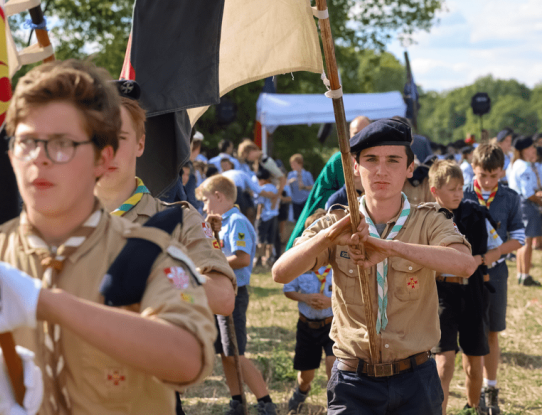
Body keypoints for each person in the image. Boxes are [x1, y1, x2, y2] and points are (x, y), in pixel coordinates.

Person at [0, 59, 216, 414]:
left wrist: (44, 302)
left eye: (62, 143)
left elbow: (188, 358)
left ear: (103, 158)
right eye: (27, 142)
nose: (40, 158)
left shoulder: (152, 252)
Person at [272, 118, 476, 415]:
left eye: (393, 160)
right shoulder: (335, 223)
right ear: (355, 167)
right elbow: (281, 273)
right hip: (353, 381)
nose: (381, 170)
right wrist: (327, 238)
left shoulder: (429, 220)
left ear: (410, 168)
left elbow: (465, 265)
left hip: (416, 379)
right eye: (370, 160)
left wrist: (391, 248)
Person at [95, 80, 236, 317]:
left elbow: (222, 299)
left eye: (119, 138)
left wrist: (160, 276)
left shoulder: (179, 220)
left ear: (140, 144)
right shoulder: (55, 221)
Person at [195, 175, 274, 415]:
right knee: (225, 353)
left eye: (206, 201)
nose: (204, 207)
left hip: (234, 294)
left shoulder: (236, 221)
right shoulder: (216, 223)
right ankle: (237, 401)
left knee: (236, 353)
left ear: (219, 196)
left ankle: (266, 403)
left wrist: (213, 265)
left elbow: (242, 258)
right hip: (220, 293)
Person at [428, 160, 502, 415]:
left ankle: (473, 408)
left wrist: (479, 260)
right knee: (443, 363)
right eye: (452, 189)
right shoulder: (425, 217)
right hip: (440, 294)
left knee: (473, 362)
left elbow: (496, 249)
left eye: (461, 188)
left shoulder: (476, 213)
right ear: (435, 191)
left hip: (472, 292)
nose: (459, 193)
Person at [464, 142, 524, 415]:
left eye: (494, 175)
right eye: (482, 175)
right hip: (463, 273)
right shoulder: (462, 194)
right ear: (472, 169)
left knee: (492, 332)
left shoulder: (510, 197)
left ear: (502, 171)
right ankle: (472, 393)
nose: (487, 181)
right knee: (468, 332)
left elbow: (519, 238)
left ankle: (491, 387)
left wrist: (497, 252)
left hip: (496, 272)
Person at [286, 116, 372, 249]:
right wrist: (350, 192)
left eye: (365, 131)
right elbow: (323, 196)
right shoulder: (339, 160)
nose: (360, 136)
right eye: (356, 133)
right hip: (338, 222)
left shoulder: (377, 158)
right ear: (349, 135)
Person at [283, 210, 336, 415]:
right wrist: (305, 298)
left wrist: (330, 301)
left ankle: (335, 405)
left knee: (334, 366)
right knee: (306, 375)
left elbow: (352, 294)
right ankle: (302, 391)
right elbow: (288, 290)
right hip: (307, 325)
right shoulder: (300, 263)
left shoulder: (338, 263)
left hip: (332, 324)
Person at [508, 137, 542, 287]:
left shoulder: (516, 164)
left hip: (516, 204)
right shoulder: (524, 167)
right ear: (524, 150)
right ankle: (526, 275)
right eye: (531, 147)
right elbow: (528, 193)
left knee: (521, 241)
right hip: (526, 205)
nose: (534, 149)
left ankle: (520, 274)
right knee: (527, 242)